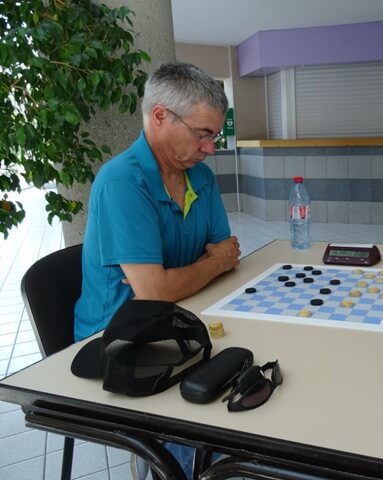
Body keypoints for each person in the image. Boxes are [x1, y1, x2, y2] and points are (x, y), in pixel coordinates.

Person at [74, 61, 241, 478]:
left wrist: (200, 268)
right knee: (219, 448)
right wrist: (209, 264)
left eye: (214, 136)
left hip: (182, 319)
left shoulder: (201, 178)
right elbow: (155, 293)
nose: (210, 149)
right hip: (118, 342)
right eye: (203, 134)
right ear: (161, 116)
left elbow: (228, 254)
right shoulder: (122, 183)